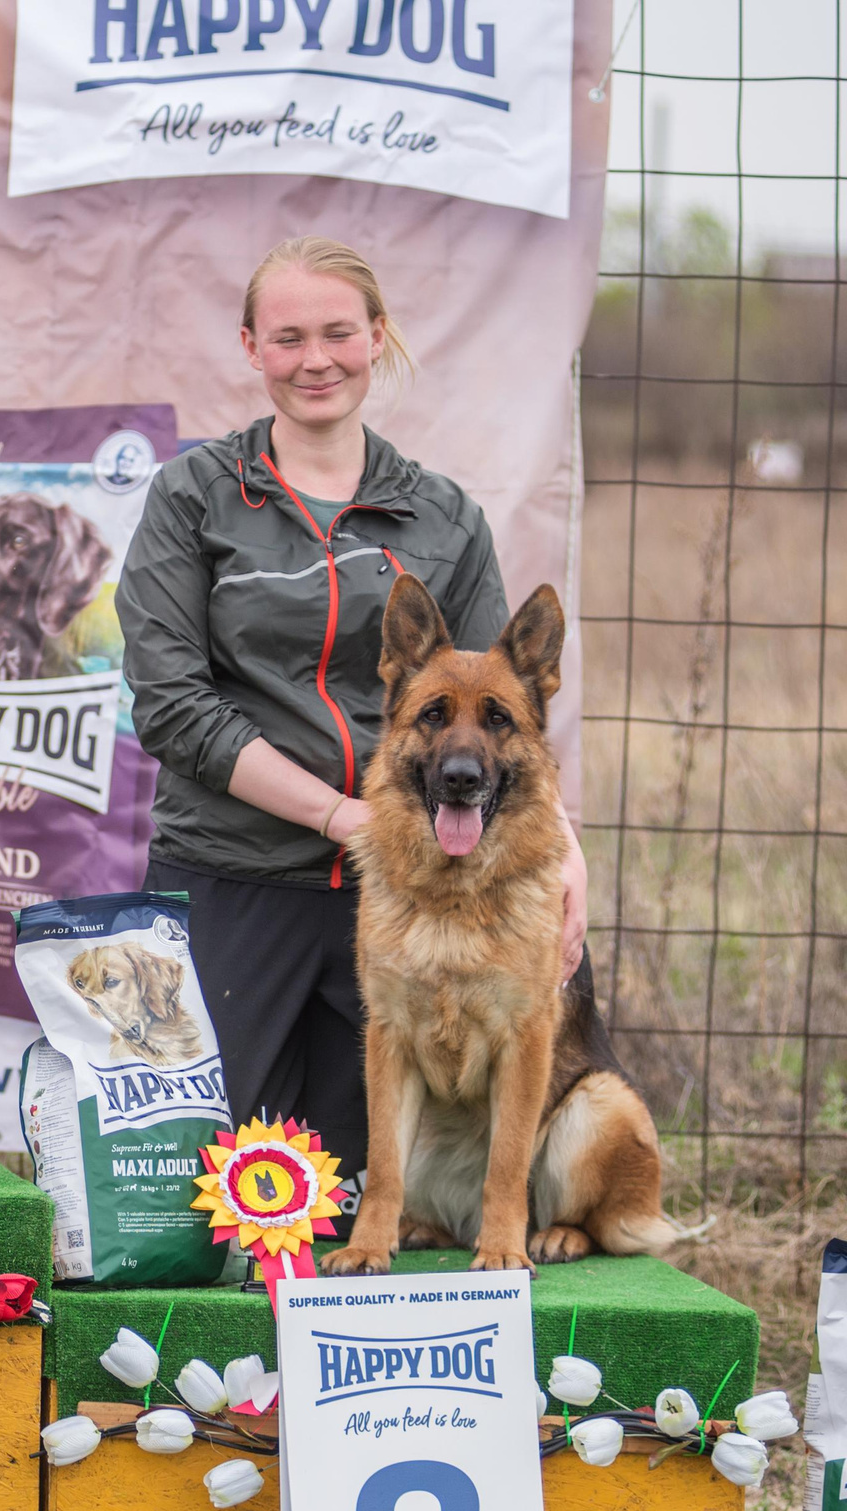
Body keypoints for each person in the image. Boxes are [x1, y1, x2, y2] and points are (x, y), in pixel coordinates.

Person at [117, 235, 588, 1183]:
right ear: (251, 348)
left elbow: (505, 715)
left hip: (409, 898)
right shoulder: (194, 498)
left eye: (339, 332)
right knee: (201, 1195)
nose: (315, 359)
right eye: (288, 337)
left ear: (378, 338)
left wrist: (566, 852)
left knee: (349, 1203)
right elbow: (172, 707)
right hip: (229, 873)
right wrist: (341, 815)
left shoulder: (445, 518)